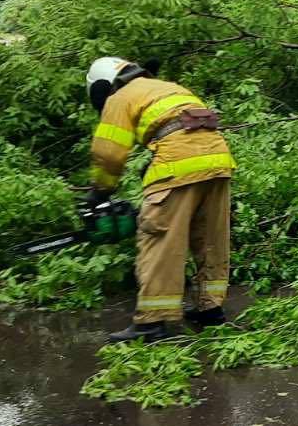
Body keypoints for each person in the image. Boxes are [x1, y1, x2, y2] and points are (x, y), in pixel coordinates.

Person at [85, 56, 236, 342]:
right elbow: (184, 129)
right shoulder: (168, 87)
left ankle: (152, 322)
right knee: (210, 239)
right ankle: (210, 311)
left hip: (180, 163)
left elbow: (109, 153)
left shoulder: (120, 97)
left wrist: (99, 191)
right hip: (218, 161)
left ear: (104, 85)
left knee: (160, 240)